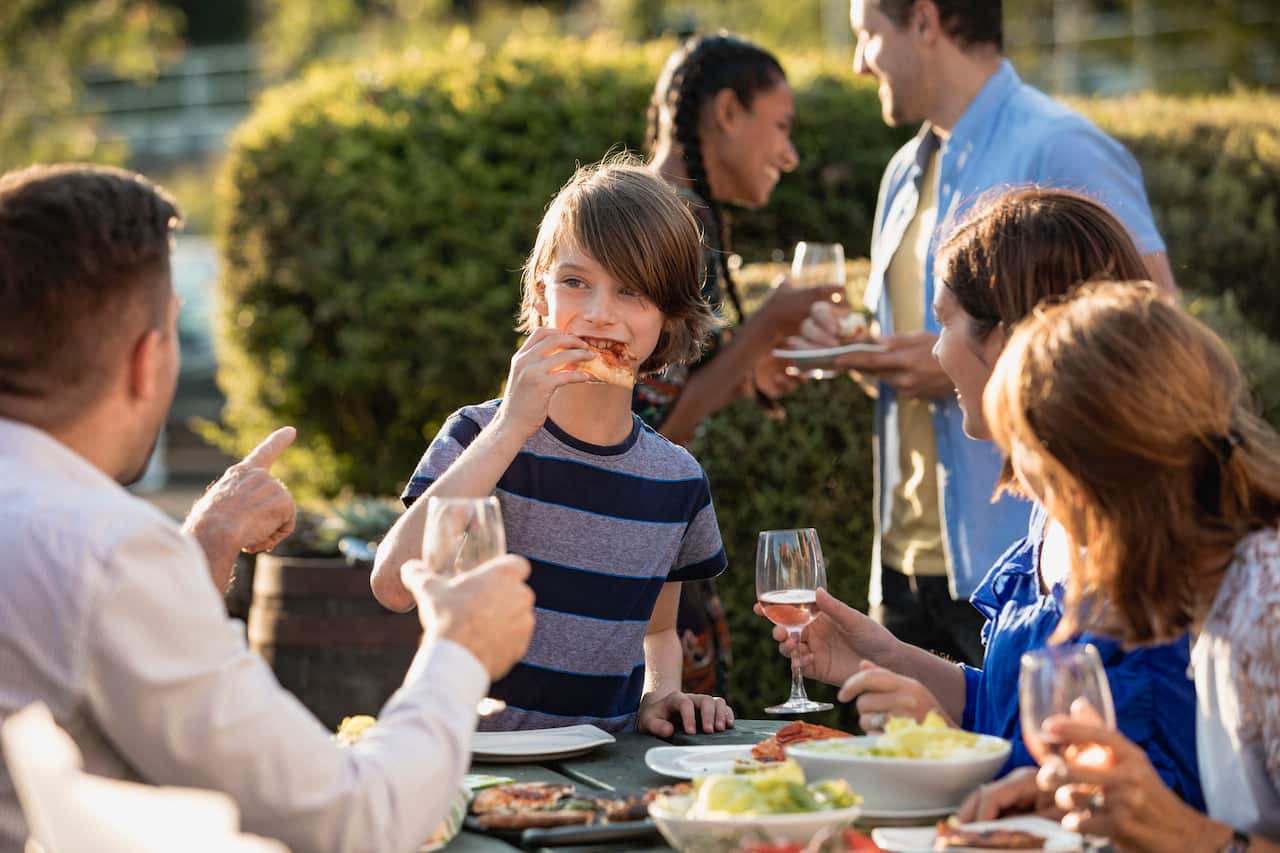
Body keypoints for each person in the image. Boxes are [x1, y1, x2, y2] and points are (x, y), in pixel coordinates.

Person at [0, 163, 538, 853]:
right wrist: (459, 648)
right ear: (145, 360)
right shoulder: (105, 550)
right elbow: (355, 821)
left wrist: (203, 544)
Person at [762, 188, 1202, 810]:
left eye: (945, 322)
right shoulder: (1055, 511)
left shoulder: (1143, 538)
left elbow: (1148, 800)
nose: (937, 350)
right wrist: (886, 656)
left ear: (1011, 338)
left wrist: (947, 747)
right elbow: (1010, 711)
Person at [791, 0, 1174, 665]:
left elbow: (1154, 331)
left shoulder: (1062, 144)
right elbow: (922, 350)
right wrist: (862, 352)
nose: (858, 64)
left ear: (925, 21)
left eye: (868, 36)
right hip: (903, 565)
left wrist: (978, 368)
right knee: (901, 736)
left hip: (1023, 564)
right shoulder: (902, 172)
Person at [372, 159, 735, 737]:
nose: (598, 314)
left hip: (604, 767)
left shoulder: (677, 482)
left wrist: (661, 695)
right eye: (575, 282)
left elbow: (660, 631)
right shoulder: (476, 436)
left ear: (668, 318)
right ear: (540, 293)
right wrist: (510, 427)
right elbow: (394, 586)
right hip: (474, 758)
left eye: (632, 290)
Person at [979, 282, 1280, 852]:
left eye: (1043, 485)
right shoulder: (1217, 591)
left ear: (1091, 489)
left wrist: (1189, 835)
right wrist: (1107, 808)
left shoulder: (1267, 604)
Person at [642, 32, 841, 696]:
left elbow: (658, 396)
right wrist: (764, 328)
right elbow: (649, 436)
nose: (790, 154)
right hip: (635, 558)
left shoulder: (650, 209)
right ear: (728, 112)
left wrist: (747, 372)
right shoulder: (673, 223)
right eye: (780, 127)